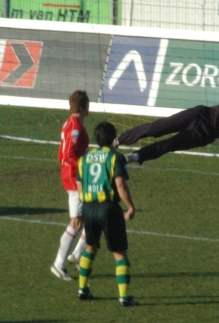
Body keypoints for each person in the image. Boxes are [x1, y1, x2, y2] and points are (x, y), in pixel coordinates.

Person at [76, 121, 138, 306]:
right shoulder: (115, 157)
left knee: (90, 248)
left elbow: (80, 187)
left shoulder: (84, 159)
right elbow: (120, 185)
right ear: (113, 138)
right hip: (108, 209)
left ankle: (82, 289)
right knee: (120, 253)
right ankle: (124, 297)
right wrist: (130, 207)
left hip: (88, 207)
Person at [51, 90, 90, 281]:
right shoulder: (75, 126)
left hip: (75, 175)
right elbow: (67, 155)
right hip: (75, 178)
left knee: (87, 216)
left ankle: (76, 255)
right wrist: (83, 165)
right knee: (76, 222)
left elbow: (62, 154)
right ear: (83, 107)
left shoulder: (72, 123)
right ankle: (59, 264)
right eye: (88, 105)